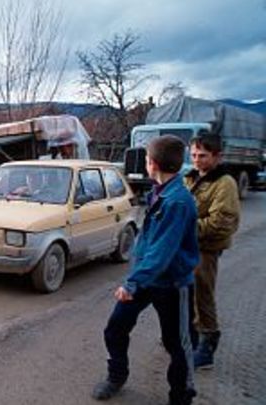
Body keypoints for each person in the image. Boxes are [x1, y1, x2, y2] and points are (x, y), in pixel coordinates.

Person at [92, 135, 199, 405]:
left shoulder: (177, 201)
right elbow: (148, 242)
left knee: (177, 345)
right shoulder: (158, 191)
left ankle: (181, 396)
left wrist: (131, 283)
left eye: (147, 158)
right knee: (115, 329)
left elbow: (163, 252)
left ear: (152, 163)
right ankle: (117, 376)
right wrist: (136, 276)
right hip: (146, 279)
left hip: (173, 284)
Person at [183, 133, 240, 370]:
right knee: (186, 291)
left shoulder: (224, 183)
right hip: (189, 246)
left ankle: (208, 344)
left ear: (217, 156)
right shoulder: (192, 177)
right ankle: (190, 336)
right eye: (194, 154)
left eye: (203, 156)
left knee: (203, 294)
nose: (196, 159)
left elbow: (222, 221)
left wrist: (185, 228)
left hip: (206, 248)